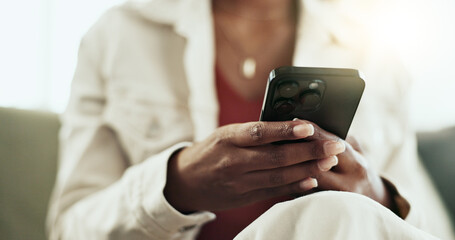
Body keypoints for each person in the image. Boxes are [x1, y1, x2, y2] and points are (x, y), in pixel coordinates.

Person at [47, 0, 455, 239]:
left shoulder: (372, 46)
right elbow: (68, 228)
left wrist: (379, 198)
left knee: (346, 214)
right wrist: (175, 186)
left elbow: (431, 230)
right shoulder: (120, 34)